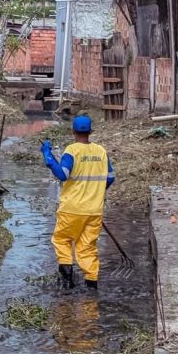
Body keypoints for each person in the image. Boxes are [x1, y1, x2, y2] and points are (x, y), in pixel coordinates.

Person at [41, 114, 114, 289]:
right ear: (91, 132)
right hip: (94, 210)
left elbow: (62, 174)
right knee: (87, 247)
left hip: (72, 209)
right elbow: (110, 178)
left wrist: (47, 155)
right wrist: (94, 193)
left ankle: (67, 282)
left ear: (73, 131)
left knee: (62, 240)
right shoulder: (101, 151)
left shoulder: (72, 151)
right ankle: (91, 286)